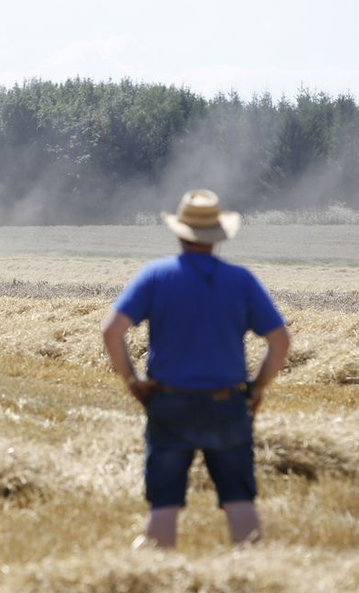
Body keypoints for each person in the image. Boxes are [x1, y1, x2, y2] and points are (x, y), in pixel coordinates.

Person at [101, 189, 290, 549]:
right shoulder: (242, 281)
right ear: (219, 235)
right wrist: (258, 388)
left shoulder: (155, 276)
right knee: (239, 499)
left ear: (179, 232)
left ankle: (160, 576)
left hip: (169, 403)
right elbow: (280, 341)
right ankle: (251, 576)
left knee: (164, 503)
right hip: (226, 404)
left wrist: (131, 380)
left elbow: (111, 331)